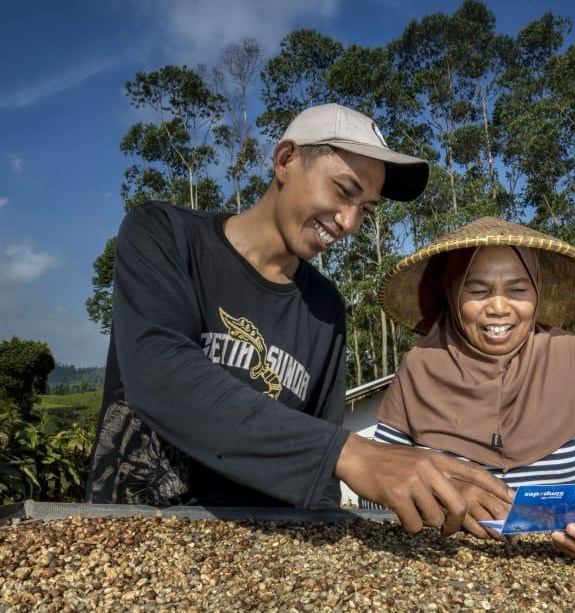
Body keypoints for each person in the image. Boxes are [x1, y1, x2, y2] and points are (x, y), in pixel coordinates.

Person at [86, 103, 512, 535]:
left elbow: (317, 460)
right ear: (285, 159)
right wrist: (351, 454)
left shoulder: (326, 309)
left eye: (365, 208)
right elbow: (159, 373)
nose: (348, 222)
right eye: (344, 191)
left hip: (255, 546)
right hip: (135, 530)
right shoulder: (164, 234)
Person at [371, 217, 575, 557]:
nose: (499, 307)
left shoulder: (568, 356)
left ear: (536, 294)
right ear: (453, 293)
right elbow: (379, 477)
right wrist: (443, 493)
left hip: (559, 559)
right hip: (442, 562)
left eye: (517, 290)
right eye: (478, 290)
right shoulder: (419, 365)